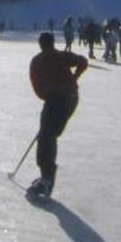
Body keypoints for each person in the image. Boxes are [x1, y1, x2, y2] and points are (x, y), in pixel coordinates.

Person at [26, 31, 90, 199]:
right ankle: (46, 176)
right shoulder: (61, 56)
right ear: (53, 43)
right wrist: (73, 79)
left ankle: (46, 179)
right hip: (70, 98)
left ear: (40, 44)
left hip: (58, 100)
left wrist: (48, 96)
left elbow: (36, 86)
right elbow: (83, 62)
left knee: (46, 136)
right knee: (49, 135)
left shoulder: (38, 61)